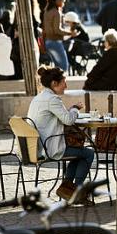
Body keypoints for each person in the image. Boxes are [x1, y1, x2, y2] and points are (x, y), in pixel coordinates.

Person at [27, 66, 94, 201]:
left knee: (79, 153)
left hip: (38, 146)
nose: (66, 86)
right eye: (64, 82)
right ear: (54, 84)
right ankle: (78, 191)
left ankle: (67, 189)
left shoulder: (39, 97)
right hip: (49, 147)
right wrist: (75, 108)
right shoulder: (52, 99)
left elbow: (60, 117)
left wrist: (69, 111)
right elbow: (69, 120)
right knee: (88, 153)